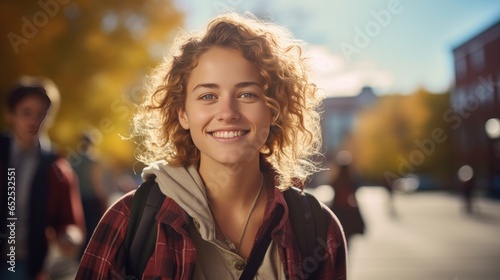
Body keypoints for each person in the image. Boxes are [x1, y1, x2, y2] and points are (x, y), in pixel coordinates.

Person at [77, 12, 347, 279]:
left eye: (246, 94)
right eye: (208, 95)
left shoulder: (318, 230)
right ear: (182, 113)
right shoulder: (128, 222)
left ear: (274, 110)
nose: (227, 112)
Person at [0, 76, 86, 279]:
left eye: (42, 115)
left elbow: (71, 223)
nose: (33, 121)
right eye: (26, 113)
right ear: (10, 114)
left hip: (24, 264)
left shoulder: (58, 168)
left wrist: (70, 237)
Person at [71, 133, 108, 257]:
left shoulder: (73, 160)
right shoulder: (93, 160)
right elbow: (96, 183)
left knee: (81, 227)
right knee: (92, 228)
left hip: (77, 199)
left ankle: (79, 255)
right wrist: (103, 199)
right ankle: (88, 255)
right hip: (92, 200)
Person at [328, 151, 365, 248]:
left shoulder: (335, 181)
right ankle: (345, 258)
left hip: (338, 212)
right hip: (349, 213)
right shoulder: (352, 181)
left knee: (337, 240)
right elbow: (353, 198)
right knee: (347, 241)